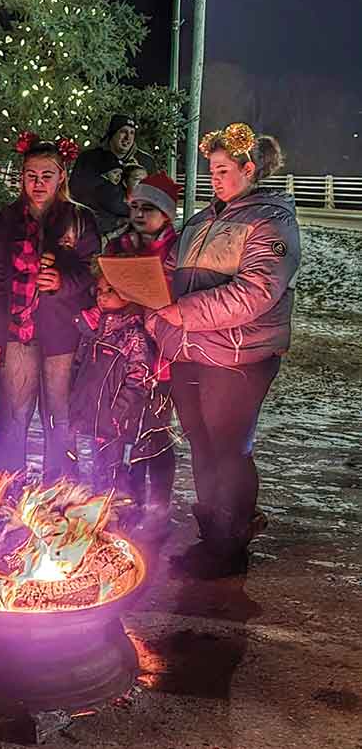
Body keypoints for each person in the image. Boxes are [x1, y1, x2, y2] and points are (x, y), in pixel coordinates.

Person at [146, 123, 301, 577]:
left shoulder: (270, 220)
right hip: (190, 352)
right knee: (201, 444)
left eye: (222, 169)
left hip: (238, 357)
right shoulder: (201, 221)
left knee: (228, 449)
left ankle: (230, 546)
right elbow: (169, 273)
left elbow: (256, 291)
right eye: (210, 169)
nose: (213, 177)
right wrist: (155, 307)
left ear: (249, 169)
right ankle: (210, 537)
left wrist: (182, 312)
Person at [0, 133, 100, 484]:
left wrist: (63, 281)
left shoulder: (79, 220)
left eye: (46, 175)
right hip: (16, 333)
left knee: (60, 417)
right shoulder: (6, 221)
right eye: (31, 175)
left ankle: (60, 490)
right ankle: (3, 491)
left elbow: (92, 271)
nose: (38, 183)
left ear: (61, 175)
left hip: (62, 333)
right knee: (13, 417)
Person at [104, 171, 182, 529]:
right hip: (120, 355)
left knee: (155, 429)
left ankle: (159, 505)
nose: (139, 214)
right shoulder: (118, 247)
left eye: (148, 208)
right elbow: (101, 288)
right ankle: (127, 499)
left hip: (162, 357)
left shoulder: (178, 251)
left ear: (166, 214)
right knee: (120, 426)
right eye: (135, 206)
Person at [70, 271, 162, 527]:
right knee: (94, 470)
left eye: (110, 290)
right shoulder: (93, 330)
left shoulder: (134, 336)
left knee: (115, 472)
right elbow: (79, 368)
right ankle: (97, 521)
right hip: (91, 417)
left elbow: (139, 379)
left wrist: (117, 413)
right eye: (99, 290)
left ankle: (121, 526)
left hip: (115, 422)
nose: (102, 296)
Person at [68, 114, 154, 239]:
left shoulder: (145, 162)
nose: (128, 138)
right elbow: (76, 193)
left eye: (132, 133)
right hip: (96, 232)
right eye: (123, 132)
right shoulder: (90, 159)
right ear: (113, 134)